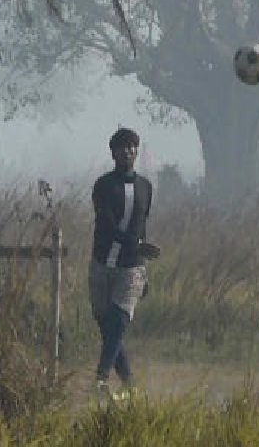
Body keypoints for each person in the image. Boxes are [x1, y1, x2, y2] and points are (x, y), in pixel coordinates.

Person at [90, 128, 160, 400]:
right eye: (123, 147)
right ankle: (129, 381)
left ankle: (101, 377)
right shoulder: (103, 186)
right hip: (101, 263)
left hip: (132, 267)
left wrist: (142, 263)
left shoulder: (146, 187)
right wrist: (136, 245)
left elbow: (141, 225)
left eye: (133, 146)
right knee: (107, 326)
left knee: (119, 320)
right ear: (113, 152)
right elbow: (105, 225)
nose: (128, 151)